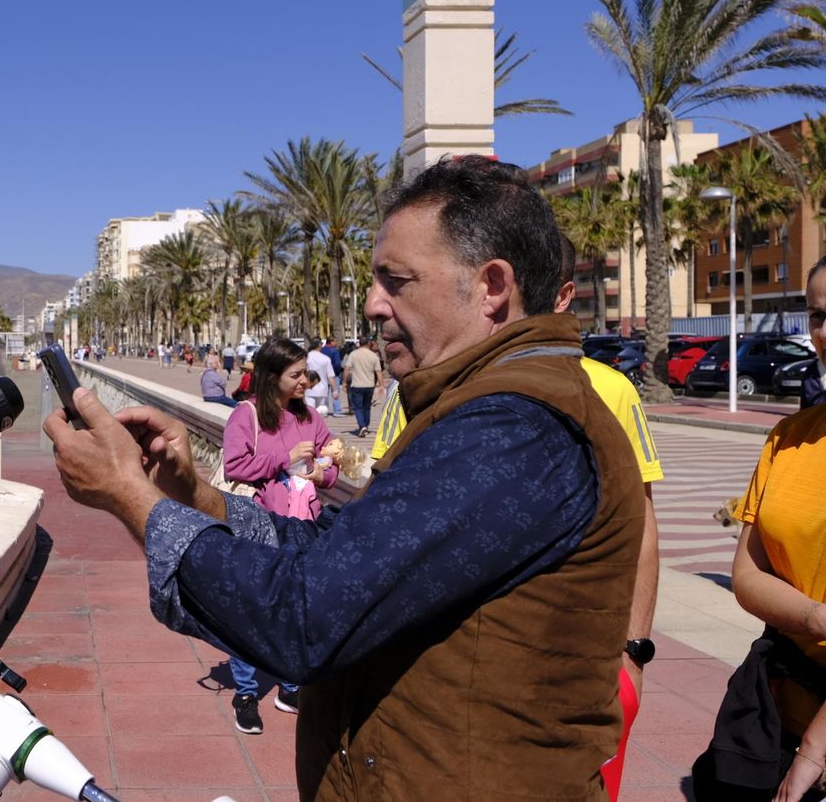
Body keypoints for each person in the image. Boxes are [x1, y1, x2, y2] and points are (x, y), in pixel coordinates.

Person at [43, 156, 644, 799]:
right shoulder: (475, 408)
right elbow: (347, 558)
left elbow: (302, 618)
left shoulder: (514, 429)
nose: (372, 304)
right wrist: (190, 493)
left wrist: (128, 495)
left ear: (491, 286)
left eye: (397, 280)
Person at [365, 233, 666, 800]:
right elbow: (380, 498)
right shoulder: (423, 386)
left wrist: (634, 655)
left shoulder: (610, 390)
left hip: (579, 667)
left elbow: (642, 529)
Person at [693, 255, 826, 802]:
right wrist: (818, 617)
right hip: (782, 711)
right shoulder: (789, 437)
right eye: (819, 314)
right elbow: (747, 574)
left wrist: (814, 755)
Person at [219, 338, 337, 733]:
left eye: (306, 372)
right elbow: (235, 465)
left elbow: (330, 462)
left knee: (296, 608)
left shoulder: (310, 418)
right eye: (297, 374)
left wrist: (323, 473)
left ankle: (289, 688)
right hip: (259, 526)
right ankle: (246, 692)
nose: (306, 380)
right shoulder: (247, 415)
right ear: (272, 377)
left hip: (304, 525)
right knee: (250, 608)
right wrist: (283, 460)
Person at [343, 337, 384, 437]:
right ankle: (365, 425)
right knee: (367, 407)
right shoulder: (373, 356)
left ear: (359, 343)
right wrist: (381, 385)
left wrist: (344, 382)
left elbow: (347, 368)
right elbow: (378, 371)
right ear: (368, 344)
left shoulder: (354, 354)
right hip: (369, 385)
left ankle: (362, 426)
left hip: (357, 385)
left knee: (357, 407)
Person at [303, 338, 335, 416]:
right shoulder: (325, 359)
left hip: (308, 388)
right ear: (319, 346)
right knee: (321, 413)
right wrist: (334, 390)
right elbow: (330, 375)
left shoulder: (306, 358)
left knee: (310, 412)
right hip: (322, 389)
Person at [320, 337, 344, 416]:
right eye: (335, 341)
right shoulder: (335, 351)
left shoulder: (321, 350)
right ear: (331, 342)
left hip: (323, 374)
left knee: (324, 393)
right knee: (335, 392)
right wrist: (338, 372)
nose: (336, 343)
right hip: (333, 374)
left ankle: (324, 411)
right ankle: (337, 411)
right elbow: (337, 363)